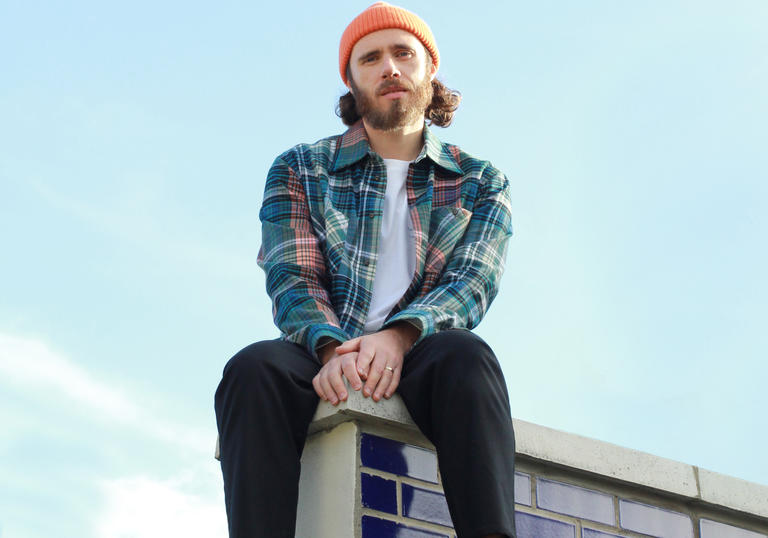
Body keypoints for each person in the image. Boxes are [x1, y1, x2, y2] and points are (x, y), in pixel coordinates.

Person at [214, 3, 517, 537]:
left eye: (404, 53)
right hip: (322, 349)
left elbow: (472, 283)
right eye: (370, 58)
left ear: (430, 70)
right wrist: (330, 349)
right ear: (352, 82)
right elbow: (292, 275)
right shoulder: (301, 167)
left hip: (423, 349)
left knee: (468, 358)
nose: (390, 68)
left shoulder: (480, 180)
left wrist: (398, 338)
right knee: (253, 369)